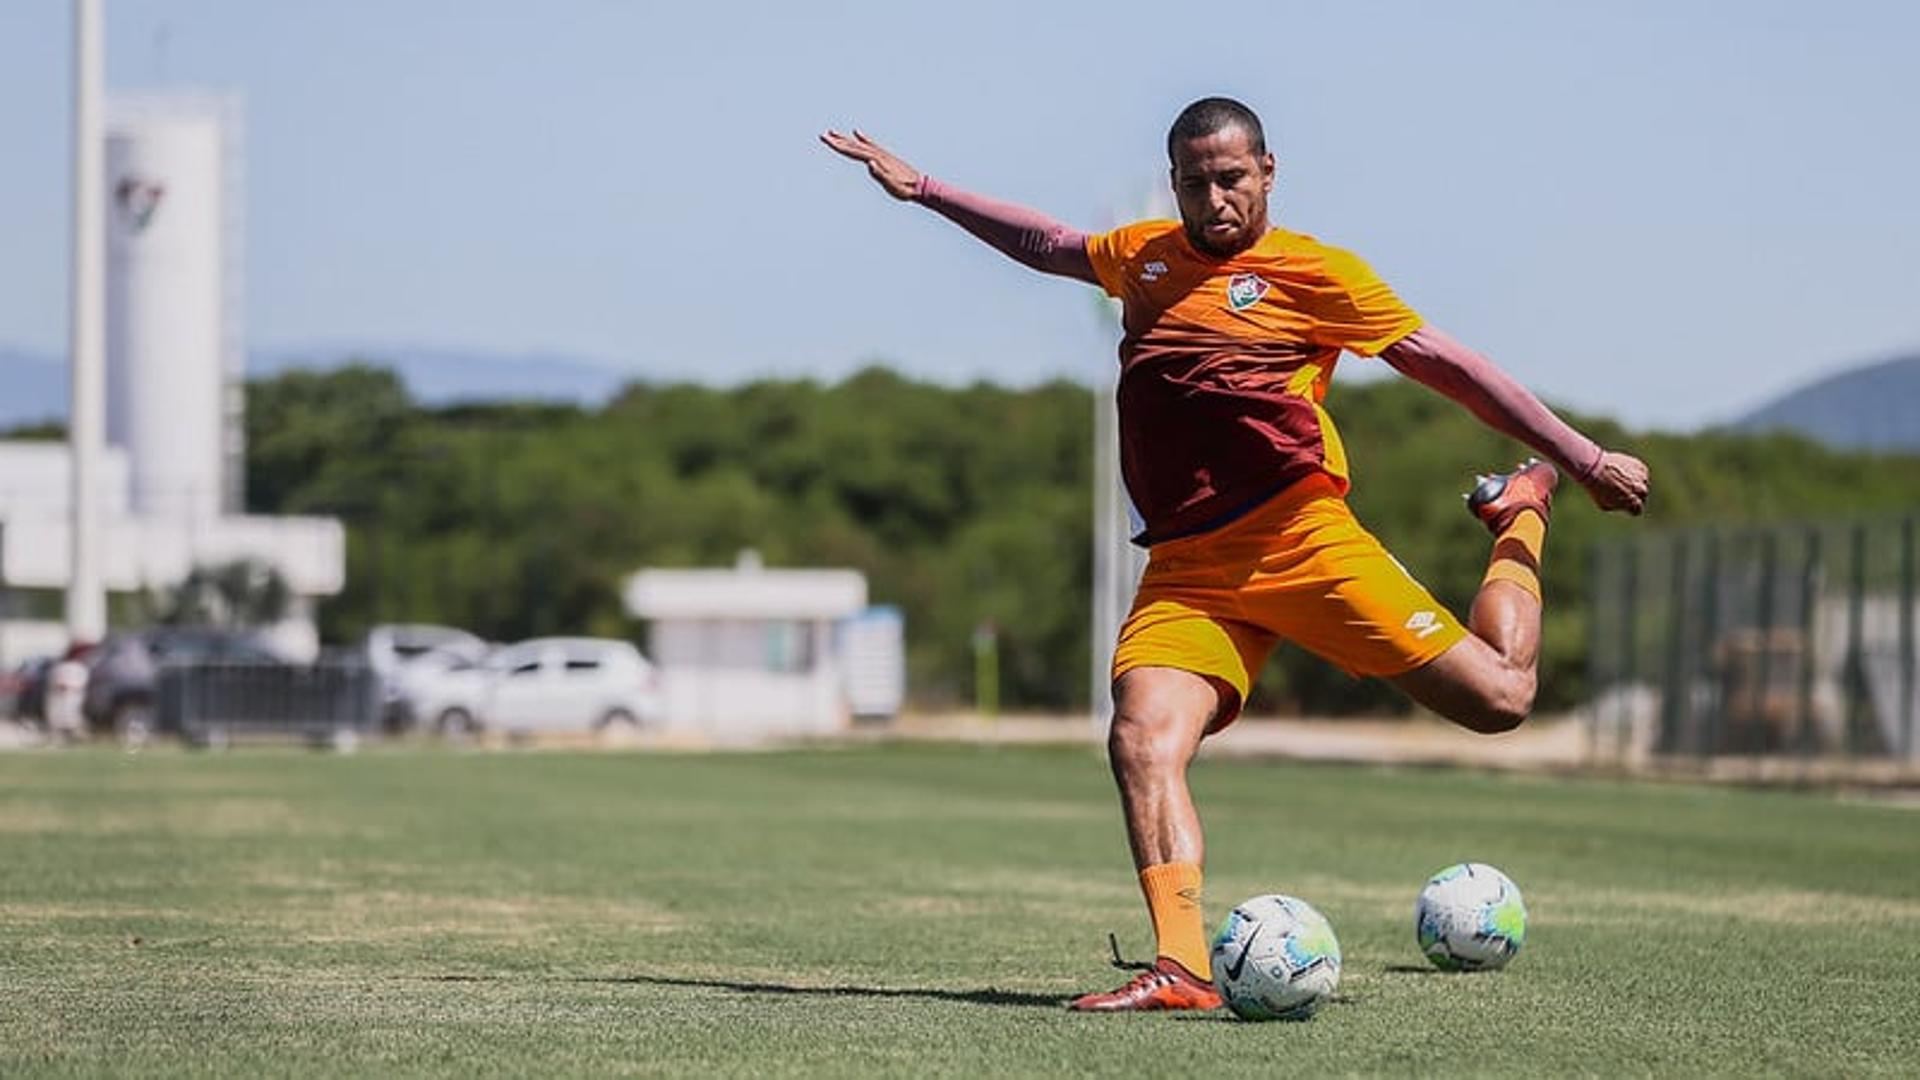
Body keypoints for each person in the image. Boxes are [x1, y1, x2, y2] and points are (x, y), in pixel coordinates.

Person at [822, 97, 1651, 1012]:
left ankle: (1518, 520)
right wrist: (926, 189)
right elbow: (1048, 245)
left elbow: (1452, 367)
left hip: (1300, 540)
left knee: (1502, 699)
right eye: (1193, 182)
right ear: (1173, 181)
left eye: (1230, 179)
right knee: (1141, 737)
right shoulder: (1146, 258)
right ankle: (1180, 966)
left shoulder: (1315, 274)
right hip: (1187, 568)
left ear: (1267, 172)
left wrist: (1580, 458)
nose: (1213, 198)